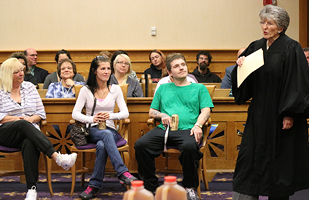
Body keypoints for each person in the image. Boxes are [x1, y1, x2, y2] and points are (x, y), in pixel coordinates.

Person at [231, 5, 309, 200]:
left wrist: (289, 113)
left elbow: (297, 82)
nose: (264, 27)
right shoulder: (255, 46)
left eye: (270, 23)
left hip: (280, 114)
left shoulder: (292, 47)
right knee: (251, 156)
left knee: (279, 161)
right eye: (262, 22)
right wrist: (239, 66)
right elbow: (246, 82)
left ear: (281, 27)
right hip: (258, 113)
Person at [134, 53, 213, 200]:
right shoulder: (163, 88)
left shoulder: (199, 88)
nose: (181, 68)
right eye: (176, 66)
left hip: (189, 129)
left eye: (183, 65)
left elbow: (206, 110)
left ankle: (189, 187)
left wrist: (198, 125)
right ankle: (151, 186)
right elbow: (152, 111)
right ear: (170, 72)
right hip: (165, 130)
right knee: (140, 145)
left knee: (189, 148)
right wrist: (162, 115)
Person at [0, 58, 77, 200]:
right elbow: (1, 117)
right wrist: (19, 120)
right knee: (23, 124)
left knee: (29, 143)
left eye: (22, 70)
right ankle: (57, 157)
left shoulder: (29, 87)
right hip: (5, 133)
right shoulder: (0, 90)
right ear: (7, 74)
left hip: (29, 131)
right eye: (16, 72)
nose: (21, 74)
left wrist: (30, 119)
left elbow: (40, 113)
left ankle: (31, 190)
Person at [72, 56, 137, 199]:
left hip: (111, 129)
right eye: (103, 68)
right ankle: (122, 172)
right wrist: (92, 118)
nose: (107, 71)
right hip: (92, 129)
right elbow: (75, 114)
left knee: (103, 143)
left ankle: (93, 186)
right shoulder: (85, 90)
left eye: (108, 68)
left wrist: (110, 116)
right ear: (95, 71)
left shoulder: (116, 89)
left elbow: (125, 112)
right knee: (103, 136)